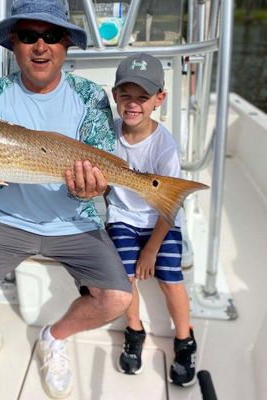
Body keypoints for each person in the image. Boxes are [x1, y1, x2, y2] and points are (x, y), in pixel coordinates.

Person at [0, 0, 132, 398]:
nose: (40, 46)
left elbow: (102, 173)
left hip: (77, 221)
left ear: (66, 44)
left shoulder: (90, 96)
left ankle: (54, 338)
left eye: (51, 35)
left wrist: (94, 187)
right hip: (9, 221)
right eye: (28, 36)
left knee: (117, 298)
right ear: (13, 44)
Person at [106, 53, 197, 386]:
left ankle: (184, 339)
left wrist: (151, 251)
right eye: (126, 95)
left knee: (170, 277)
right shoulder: (108, 134)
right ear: (114, 95)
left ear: (159, 99)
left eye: (142, 97)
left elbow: (169, 206)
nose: (133, 104)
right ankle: (134, 328)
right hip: (123, 216)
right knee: (123, 273)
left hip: (162, 218)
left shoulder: (166, 148)